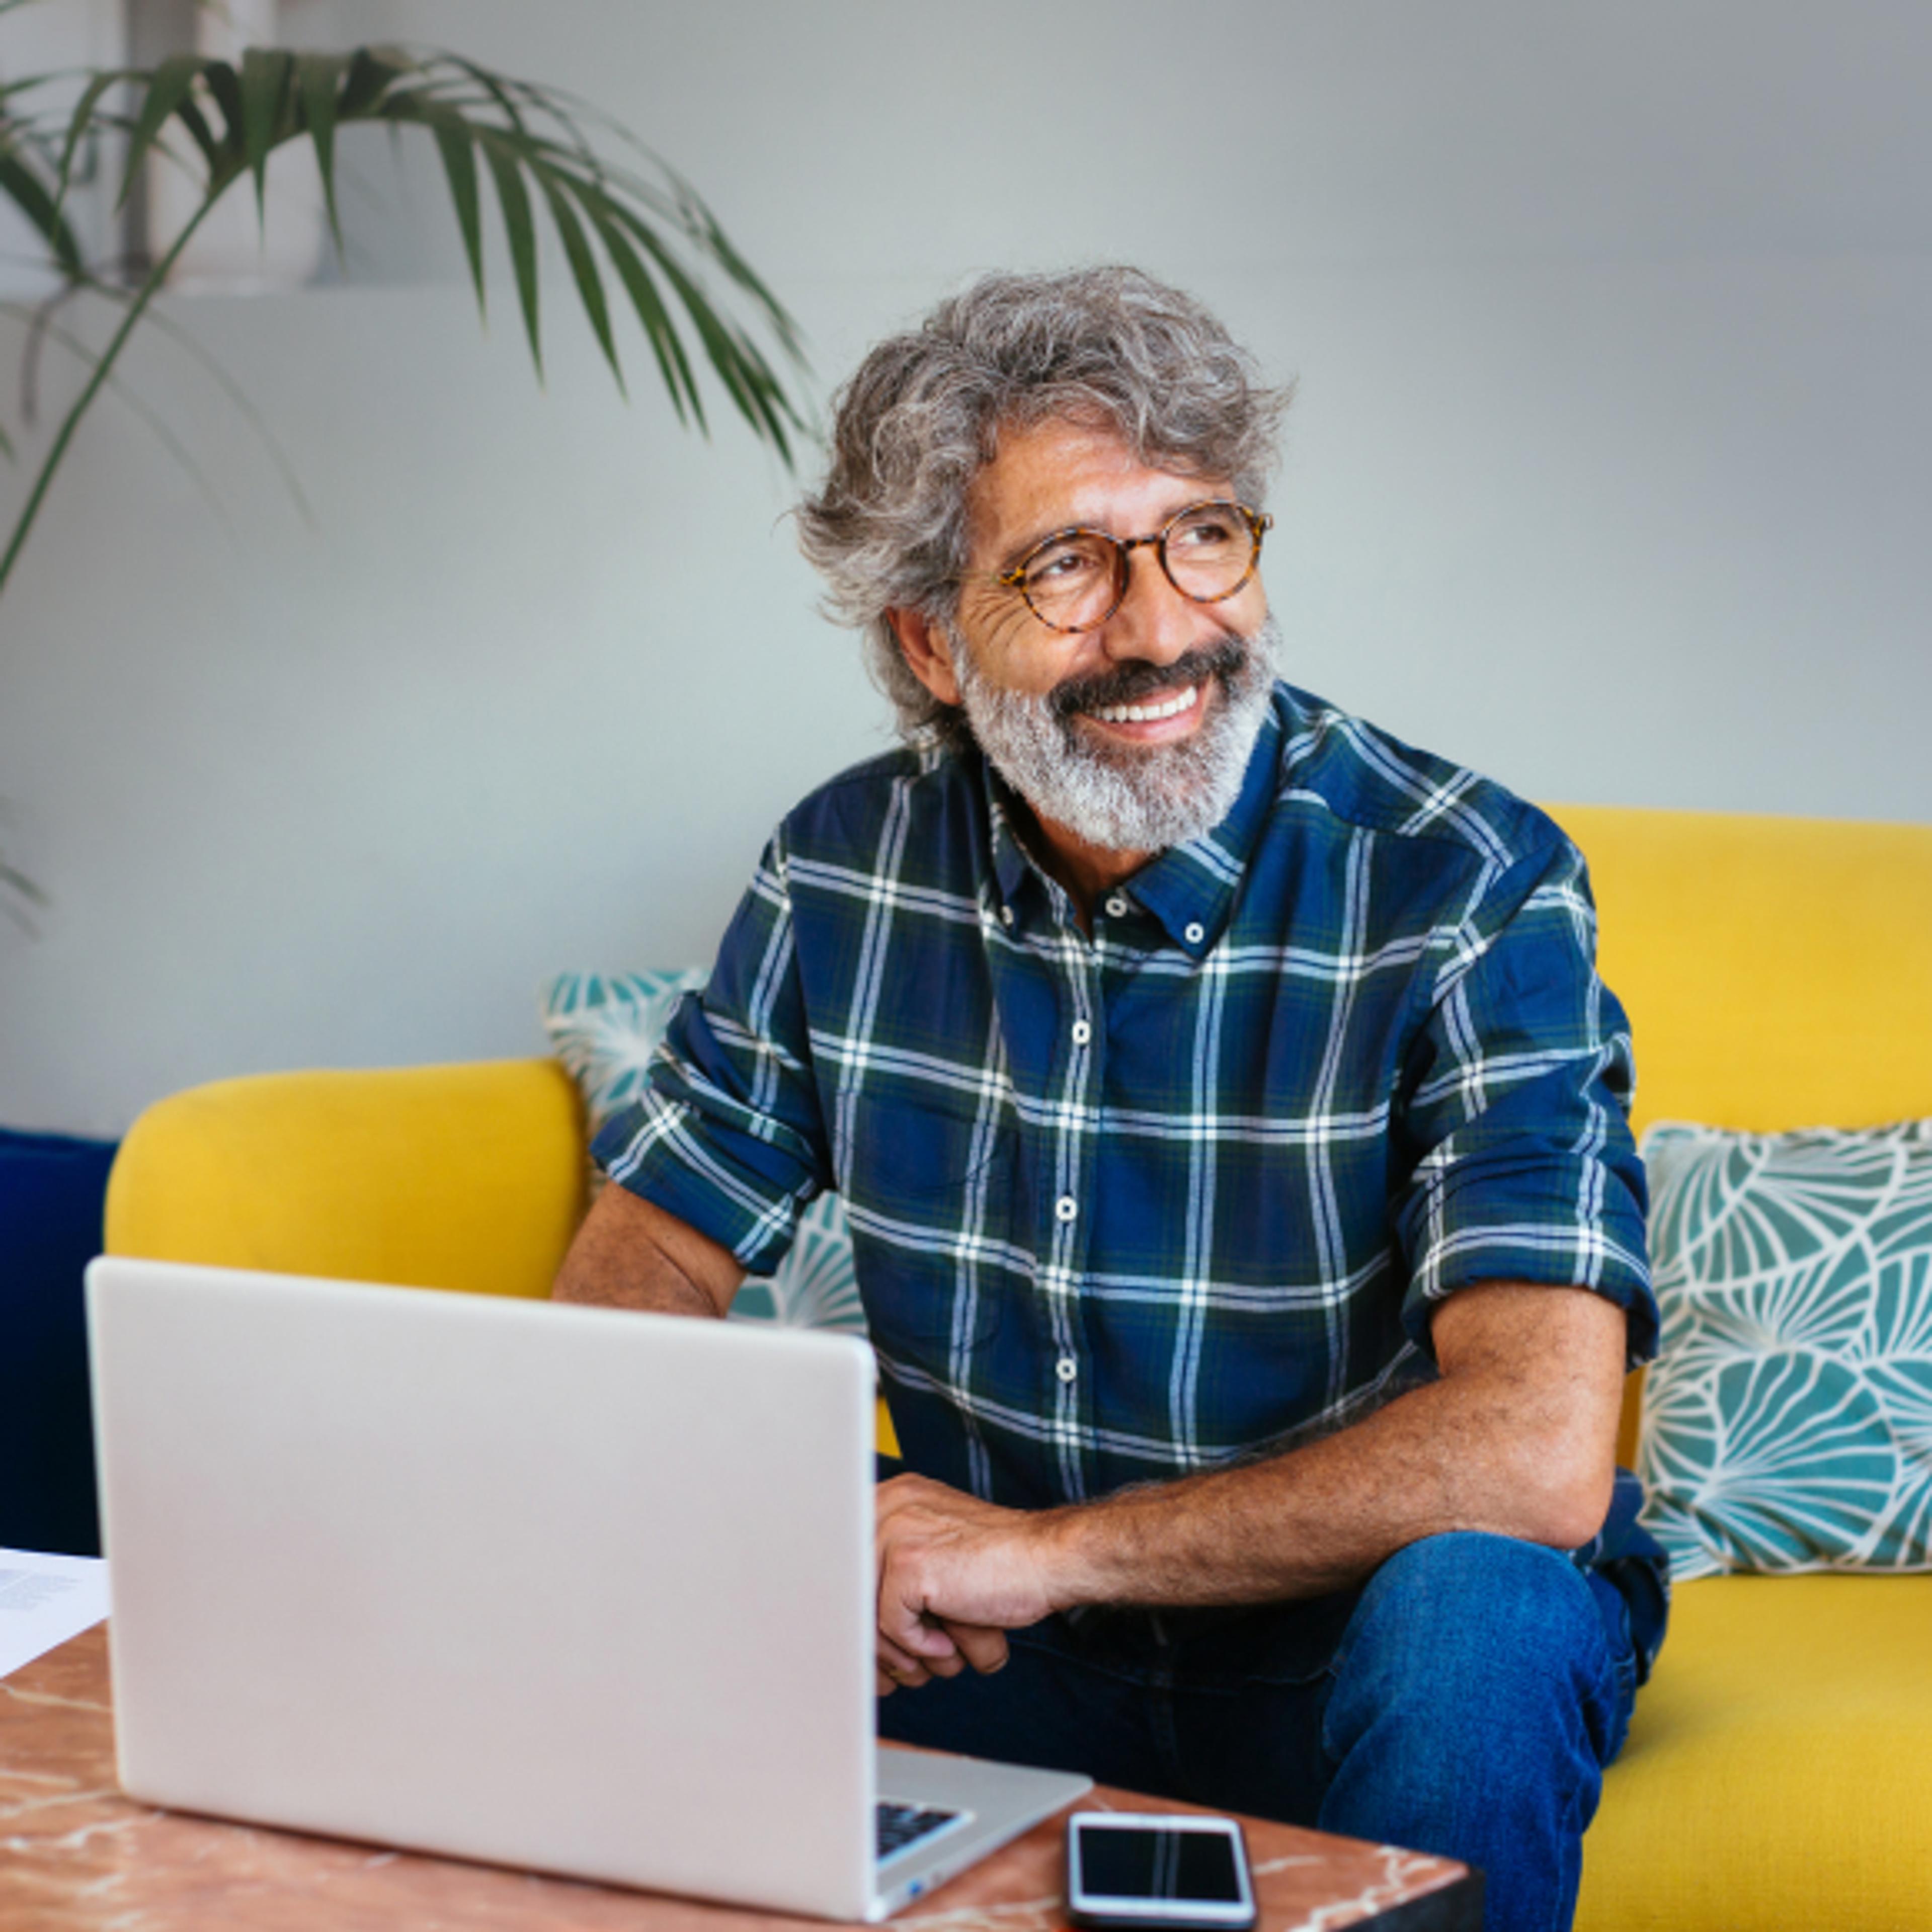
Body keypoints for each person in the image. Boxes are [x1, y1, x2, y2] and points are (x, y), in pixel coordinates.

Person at [553, 266, 1667, 1932]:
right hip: (1005, 1658)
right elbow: (638, 1273)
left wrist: (1047, 1552)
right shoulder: (841, 873)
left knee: (1483, 1611)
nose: (1160, 631)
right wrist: (802, 1531)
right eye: (1066, 567)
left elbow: (1537, 1455)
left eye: (1202, 538)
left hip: (1356, 1646)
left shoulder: (1470, 885)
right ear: (933, 641)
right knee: (680, 1537)